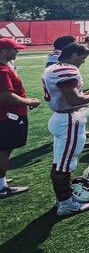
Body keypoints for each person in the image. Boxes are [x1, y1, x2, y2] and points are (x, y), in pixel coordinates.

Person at [43, 43, 89, 216]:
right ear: (73, 55)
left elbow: (70, 94)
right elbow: (73, 100)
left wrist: (85, 94)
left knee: (61, 162)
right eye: (82, 57)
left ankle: (64, 198)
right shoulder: (66, 69)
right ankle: (66, 203)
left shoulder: (53, 66)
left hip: (61, 117)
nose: (83, 62)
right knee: (63, 166)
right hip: (68, 119)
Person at [0, 38, 40, 198]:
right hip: (8, 116)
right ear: (4, 51)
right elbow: (5, 96)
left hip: (7, 114)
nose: (17, 51)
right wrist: (28, 101)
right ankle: (1, 186)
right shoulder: (2, 70)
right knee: (4, 150)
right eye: (14, 49)